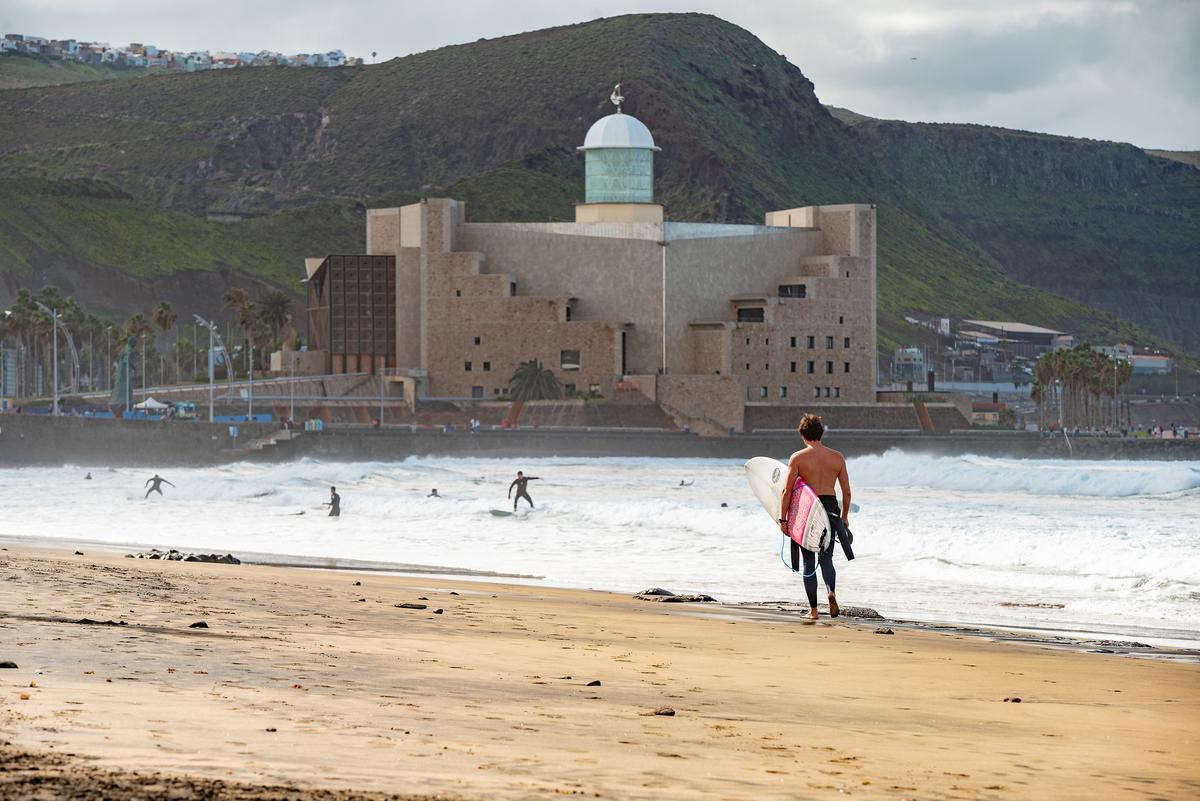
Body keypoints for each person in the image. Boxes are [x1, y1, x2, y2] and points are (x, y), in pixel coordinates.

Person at [779, 413, 852, 621]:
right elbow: (847, 493)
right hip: (830, 511)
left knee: (808, 563)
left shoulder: (798, 458)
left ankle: (813, 611)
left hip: (808, 511)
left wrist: (783, 519)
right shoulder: (837, 457)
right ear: (822, 433)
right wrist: (844, 517)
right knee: (827, 558)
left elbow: (787, 491)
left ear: (803, 435)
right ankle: (831, 592)